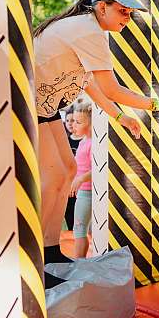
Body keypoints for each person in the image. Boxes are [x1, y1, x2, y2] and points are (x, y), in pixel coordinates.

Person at [33, 0, 159, 288]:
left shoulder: (86, 28)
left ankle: (50, 249)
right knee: (52, 179)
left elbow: (91, 85)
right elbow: (111, 88)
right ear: (103, 7)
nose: (127, 19)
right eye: (123, 12)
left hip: (43, 107)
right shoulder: (87, 30)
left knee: (69, 170)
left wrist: (121, 118)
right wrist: (157, 105)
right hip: (27, 105)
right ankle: (36, 259)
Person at [68, 97, 93, 259]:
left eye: (78, 122)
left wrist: (80, 179)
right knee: (81, 230)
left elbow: (97, 169)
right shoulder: (84, 140)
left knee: (79, 231)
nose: (73, 125)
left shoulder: (92, 143)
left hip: (87, 193)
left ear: (91, 123)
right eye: (73, 121)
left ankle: (79, 264)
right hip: (83, 192)